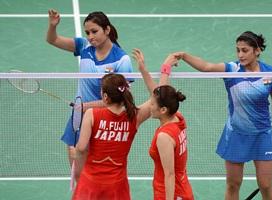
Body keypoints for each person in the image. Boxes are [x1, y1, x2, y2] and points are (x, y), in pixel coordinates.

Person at [169, 31, 272, 200]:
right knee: (233, 184)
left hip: (262, 134)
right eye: (238, 50)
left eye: (245, 50)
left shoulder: (270, 72)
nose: (240, 55)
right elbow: (207, 67)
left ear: (257, 51)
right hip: (236, 135)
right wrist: (184, 56)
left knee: (265, 184)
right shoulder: (232, 70)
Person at [72, 49, 174, 200]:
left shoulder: (91, 115)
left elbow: (80, 149)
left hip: (90, 183)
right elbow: (159, 97)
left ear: (105, 97)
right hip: (117, 186)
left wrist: (78, 176)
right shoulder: (135, 116)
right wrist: (161, 69)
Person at [46, 9, 134, 178]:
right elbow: (53, 40)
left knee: (97, 171)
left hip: (101, 121)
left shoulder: (121, 60)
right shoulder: (84, 46)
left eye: (95, 31)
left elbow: (121, 100)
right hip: (79, 116)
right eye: (87, 32)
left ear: (107, 30)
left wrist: (85, 106)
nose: (90, 36)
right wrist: (52, 26)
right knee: (76, 169)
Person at [132, 49, 194, 200]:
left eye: (153, 105)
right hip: (182, 188)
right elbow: (158, 93)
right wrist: (146, 69)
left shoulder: (164, 136)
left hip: (171, 194)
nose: (149, 107)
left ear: (163, 109)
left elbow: (169, 174)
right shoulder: (177, 117)